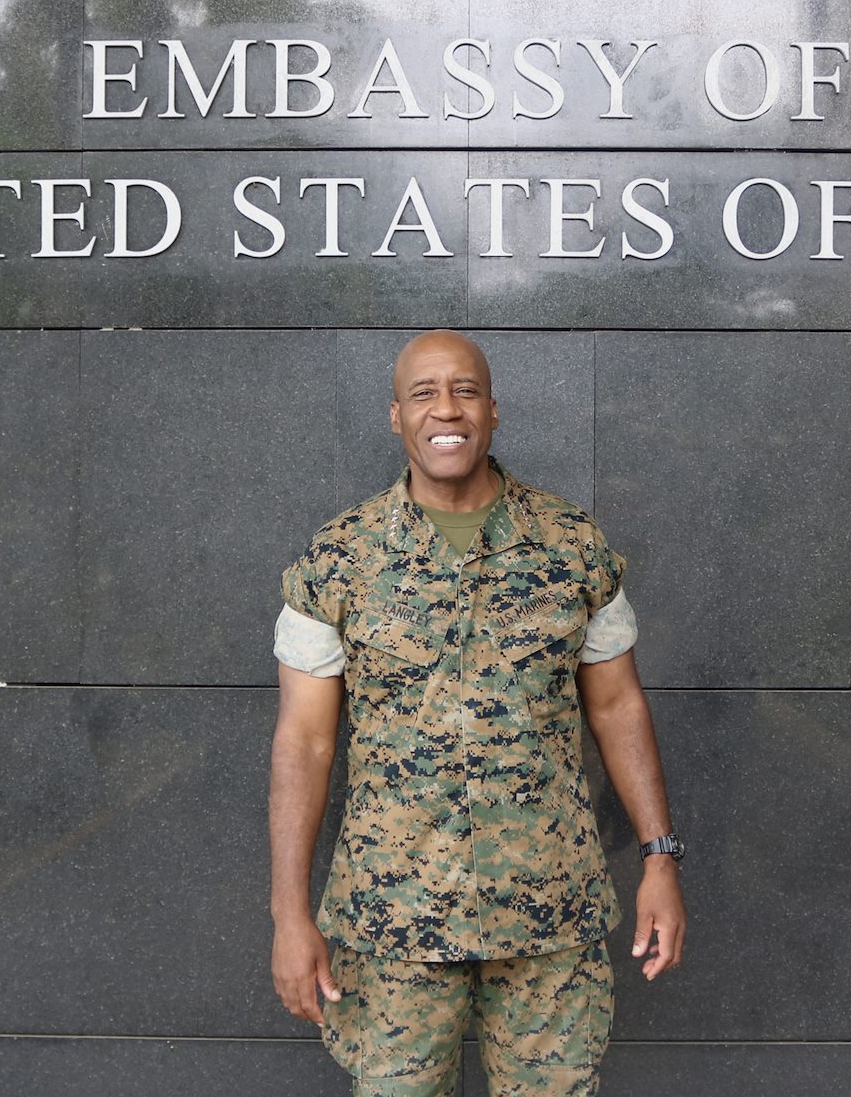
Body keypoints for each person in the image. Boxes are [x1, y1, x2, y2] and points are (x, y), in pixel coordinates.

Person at [268, 328, 687, 1096]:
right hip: (394, 918)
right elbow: (304, 744)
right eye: (423, 393)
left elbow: (620, 705)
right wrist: (288, 914)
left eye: (463, 389)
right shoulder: (338, 560)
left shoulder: (573, 547)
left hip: (548, 918)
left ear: (493, 411)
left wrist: (660, 856)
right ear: (396, 416)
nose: (445, 408)